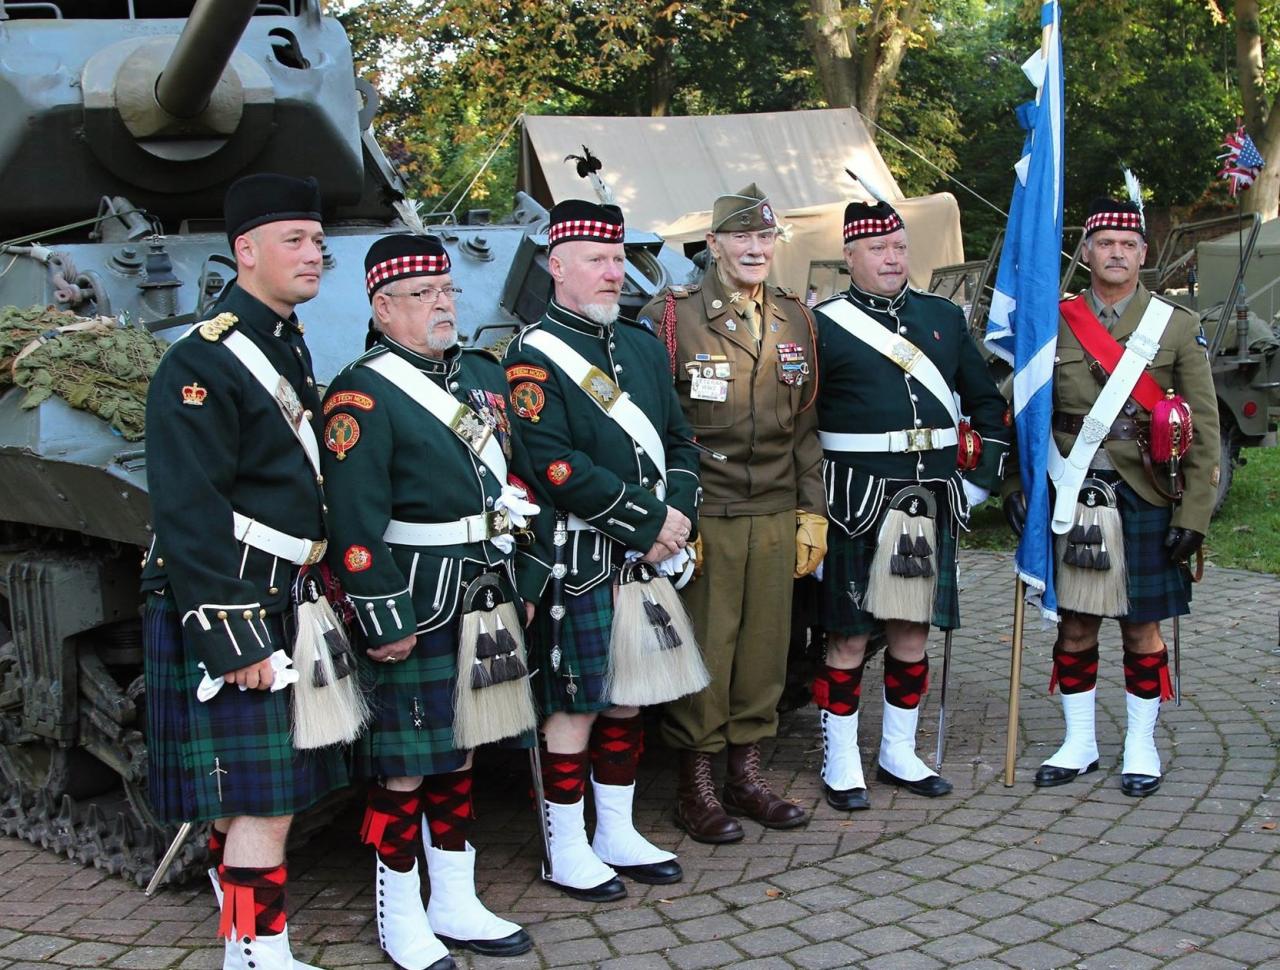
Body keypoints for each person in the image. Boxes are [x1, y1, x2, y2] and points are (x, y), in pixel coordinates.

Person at [322, 235, 550, 969]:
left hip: (487, 587)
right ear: (383, 307)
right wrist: (383, 616)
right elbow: (354, 525)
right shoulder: (363, 392)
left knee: (463, 751)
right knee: (408, 764)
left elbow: (516, 484)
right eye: (422, 294)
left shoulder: (480, 376)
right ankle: (400, 914)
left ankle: (455, 896)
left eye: (447, 289)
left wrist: (529, 585)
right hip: (418, 596)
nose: (444, 302)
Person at [141, 173, 346, 970]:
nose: (313, 254)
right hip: (237, 600)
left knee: (252, 800)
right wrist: (233, 638)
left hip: (285, 591)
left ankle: (247, 946)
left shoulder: (284, 340)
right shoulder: (205, 359)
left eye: (318, 241)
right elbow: (189, 509)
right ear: (245, 251)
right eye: (294, 240)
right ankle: (258, 957)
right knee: (264, 800)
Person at [504, 199, 702, 902]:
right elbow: (553, 465)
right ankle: (565, 847)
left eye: (618, 260)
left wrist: (677, 512)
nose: (614, 273)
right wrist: (650, 522)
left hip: (646, 554)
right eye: (596, 260)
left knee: (628, 700)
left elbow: (680, 441)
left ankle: (615, 830)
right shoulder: (531, 358)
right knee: (576, 703)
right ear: (557, 267)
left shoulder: (645, 348)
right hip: (582, 558)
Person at [1003, 195, 1218, 798]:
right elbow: (1022, 411)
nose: (1117, 253)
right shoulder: (1055, 318)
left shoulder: (1173, 325)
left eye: (1128, 244)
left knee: (1141, 629)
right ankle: (1079, 742)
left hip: (1147, 494)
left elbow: (1202, 427)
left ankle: (1140, 745)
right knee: (1074, 626)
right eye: (1105, 243)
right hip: (1071, 491)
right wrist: (1018, 485)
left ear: (1144, 255)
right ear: (1086, 252)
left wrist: (1194, 514)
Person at [638, 183, 824, 843]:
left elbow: (805, 429)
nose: (754, 248)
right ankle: (697, 788)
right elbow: (658, 428)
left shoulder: (796, 319)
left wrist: (813, 511)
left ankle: (746, 777)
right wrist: (676, 516)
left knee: (765, 652)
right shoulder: (674, 317)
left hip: (775, 510)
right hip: (707, 513)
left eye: (764, 238)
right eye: (740, 237)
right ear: (713, 244)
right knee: (709, 647)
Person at [812, 198, 1009, 808]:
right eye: (877, 248)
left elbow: (987, 404)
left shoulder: (943, 318)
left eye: (898, 246)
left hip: (927, 501)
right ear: (850, 257)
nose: (892, 257)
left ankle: (900, 751)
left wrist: (977, 485)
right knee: (846, 637)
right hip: (856, 501)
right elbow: (798, 426)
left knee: (912, 632)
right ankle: (840, 760)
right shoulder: (821, 325)